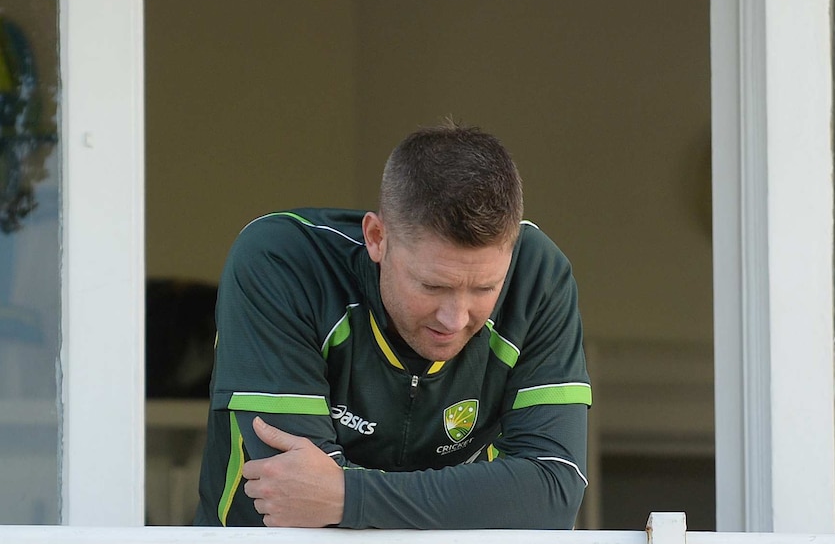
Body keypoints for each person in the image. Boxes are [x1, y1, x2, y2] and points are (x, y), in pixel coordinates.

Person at [193, 121, 592, 529]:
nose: (455, 318)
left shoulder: (537, 276)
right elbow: (296, 501)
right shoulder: (280, 264)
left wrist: (349, 496)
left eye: (485, 288)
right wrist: (482, 497)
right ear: (376, 237)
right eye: (433, 285)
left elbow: (554, 490)